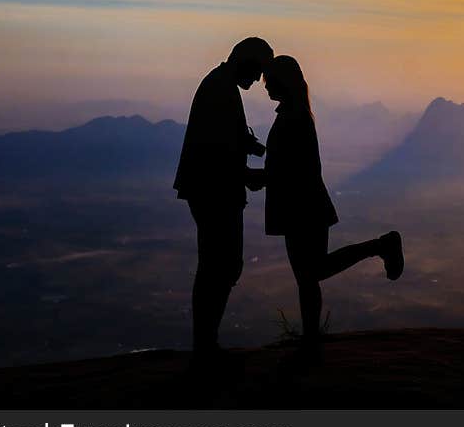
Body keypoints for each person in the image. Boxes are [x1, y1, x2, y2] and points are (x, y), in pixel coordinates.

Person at [256, 55, 404, 354]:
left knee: (310, 274)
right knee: (311, 274)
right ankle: (311, 335)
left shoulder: (292, 117)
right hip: (303, 204)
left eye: (269, 81)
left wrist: (258, 175)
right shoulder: (295, 113)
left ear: (283, 81)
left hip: (301, 207)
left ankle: (381, 246)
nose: (266, 87)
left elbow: (291, 169)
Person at [173, 36, 274, 366]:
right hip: (213, 191)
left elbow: (229, 137)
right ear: (246, 63)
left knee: (219, 265)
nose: (258, 81)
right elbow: (218, 151)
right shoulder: (221, 89)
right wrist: (250, 175)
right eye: (258, 72)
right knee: (220, 266)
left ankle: (205, 343)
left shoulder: (220, 85)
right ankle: (205, 345)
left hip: (211, 189)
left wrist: (254, 148)